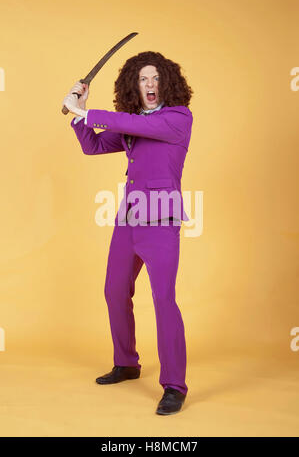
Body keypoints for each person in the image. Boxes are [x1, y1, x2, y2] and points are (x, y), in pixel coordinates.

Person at [62, 51, 193, 415]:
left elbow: (138, 127)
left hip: (161, 218)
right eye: (142, 79)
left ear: (166, 82)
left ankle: (174, 385)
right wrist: (81, 116)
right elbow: (95, 145)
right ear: (134, 85)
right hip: (128, 217)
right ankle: (127, 362)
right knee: (114, 289)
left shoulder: (177, 118)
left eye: (155, 78)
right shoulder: (133, 122)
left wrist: (84, 111)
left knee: (163, 298)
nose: (149, 85)